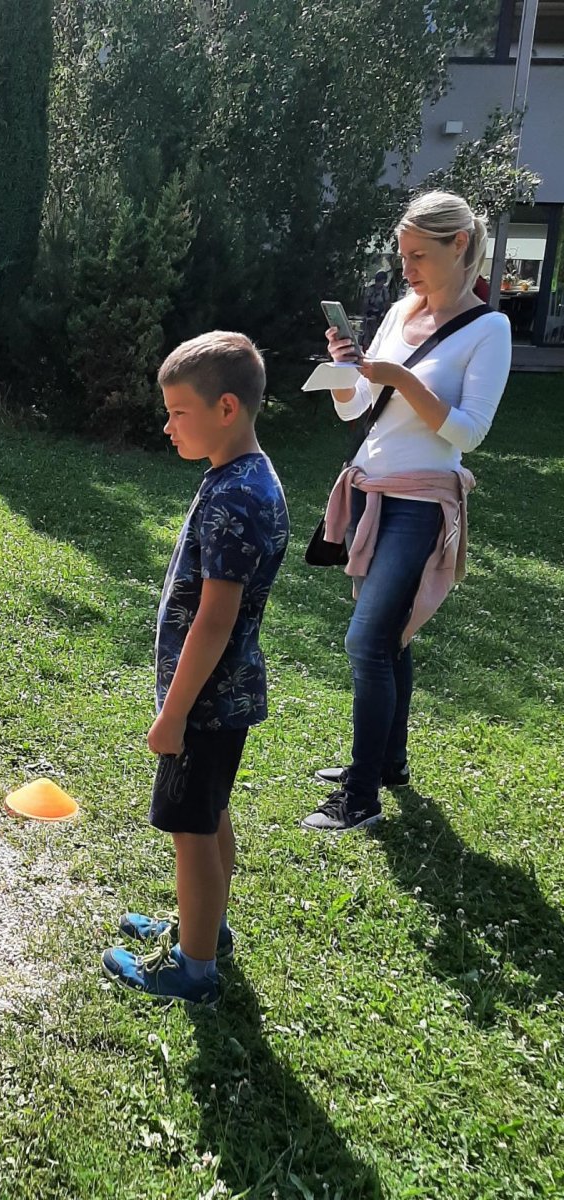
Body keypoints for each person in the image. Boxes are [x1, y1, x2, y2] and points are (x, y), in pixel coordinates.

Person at [302, 190, 511, 833]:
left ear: (459, 246)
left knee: (367, 641)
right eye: (402, 255)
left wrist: (399, 377)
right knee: (391, 637)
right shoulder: (398, 311)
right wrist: (347, 371)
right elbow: (358, 407)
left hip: (422, 503)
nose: (407, 268)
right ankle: (388, 763)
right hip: (372, 491)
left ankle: (361, 795)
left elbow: (469, 432)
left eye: (419, 255)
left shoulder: (490, 329)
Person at [101, 332, 290, 1005]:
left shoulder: (234, 496)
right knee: (209, 815)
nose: (167, 425)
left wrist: (173, 713)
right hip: (224, 693)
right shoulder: (243, 476)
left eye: (179, 412)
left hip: (205, 700)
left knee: (191, 828)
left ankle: (194, 968)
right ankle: (205, 927)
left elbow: (215, 619)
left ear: (227, 408)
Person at [362, 270, 391, 347]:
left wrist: (384, 315)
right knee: (366, 334)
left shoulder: (384, 291)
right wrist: (366, 313)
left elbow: (387, 304)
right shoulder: (370, 290)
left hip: (379, 316)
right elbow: (365, 303)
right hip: (369, 315)